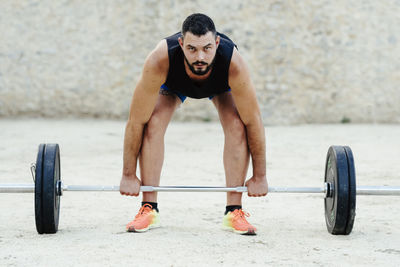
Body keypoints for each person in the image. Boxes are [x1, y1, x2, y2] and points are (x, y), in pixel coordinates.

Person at [119, 13, 268, 235]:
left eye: (207, 48)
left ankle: (233, 211)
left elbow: (253, 121)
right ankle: (149, 208)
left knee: (237, 125)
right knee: (153, 122)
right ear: (181, 44)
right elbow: (135, 120)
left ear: (217, 43)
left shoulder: (233, 63)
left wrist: (260, 176)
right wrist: (129, 175)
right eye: (192, 49)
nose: (200, 56)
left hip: (220, 86)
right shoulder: (160, 59)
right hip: (173, 85)